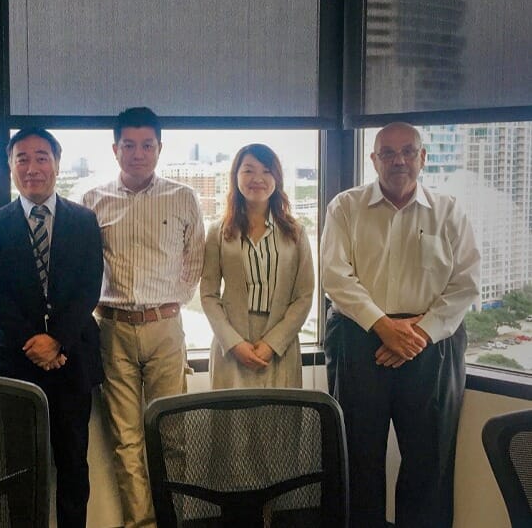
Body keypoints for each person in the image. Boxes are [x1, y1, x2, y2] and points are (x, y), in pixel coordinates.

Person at [321, 122, 480, 527]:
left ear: (423, 157)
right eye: (387, 153)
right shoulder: (345, 207)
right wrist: (382, 326)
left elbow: (465, 283)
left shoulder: (448, 211)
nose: (399, 161)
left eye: (408, 151)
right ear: (373, 160)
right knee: (357, 457)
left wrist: (419, 332)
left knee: (431, 460)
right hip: (359, 339)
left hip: (432, 343)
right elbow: (335, 276)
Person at [82, 107, 205, 528]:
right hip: (112, 329)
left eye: (147, 145)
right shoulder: (92, 200)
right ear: (116, 149)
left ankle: (173, 520)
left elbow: (194, 265)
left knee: (172, 434)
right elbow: (84, 267)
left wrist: (167, 306)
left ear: (159, 148)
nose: (138, 153)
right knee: (126, 439)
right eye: (129, 145)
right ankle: (141, 524)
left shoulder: (183, 197)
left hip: (166, 330)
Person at [0, 128, 104, 528]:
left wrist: (57, 341)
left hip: (72, 361)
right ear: (10, 167)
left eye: (41, 157)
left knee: (73, 463)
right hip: (16, 363)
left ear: (56, 162)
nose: (32, 167)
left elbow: (90, 287)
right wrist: (32, 343)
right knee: (19, 465)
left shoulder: (84, 220)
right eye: (22, 159)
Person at [201, 143, 313, 389]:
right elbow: (208, 295)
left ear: (277, 179)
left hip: (280, 343)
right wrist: (233, 343)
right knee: (232, 424)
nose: (258, 179)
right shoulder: (218, 232)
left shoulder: (295, 232)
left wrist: (272, 343)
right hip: (232, 342)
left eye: (266, 171)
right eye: (249, 170)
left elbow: (304, 296)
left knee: (277, 423)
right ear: (236, 177)